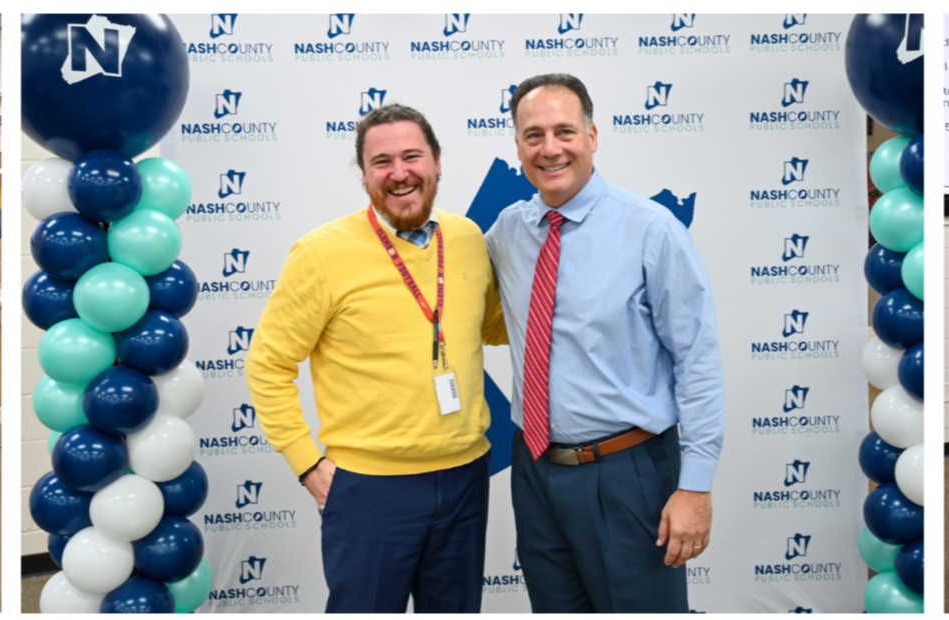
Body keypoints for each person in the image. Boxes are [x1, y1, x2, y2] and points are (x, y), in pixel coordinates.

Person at [245, 104, 507, 613]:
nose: (399, 172)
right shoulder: (320, 254)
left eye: (412, 156)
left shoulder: (469, 238)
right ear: (364, 176)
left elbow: (493, 327)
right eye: (381, 161)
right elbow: (268, 364)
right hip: (369, 489)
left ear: (436, 164)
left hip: (466, 475)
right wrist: (307, 465)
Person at [485, 73, 724, 613]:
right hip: (535, 467)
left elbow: (697, 359)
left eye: (564, 131)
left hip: (627, 473)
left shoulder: (650, 229)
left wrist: (696, 486)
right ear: (518, 146)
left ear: (593, 136)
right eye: (533, 135)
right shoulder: (508, 231)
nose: (550, 149)